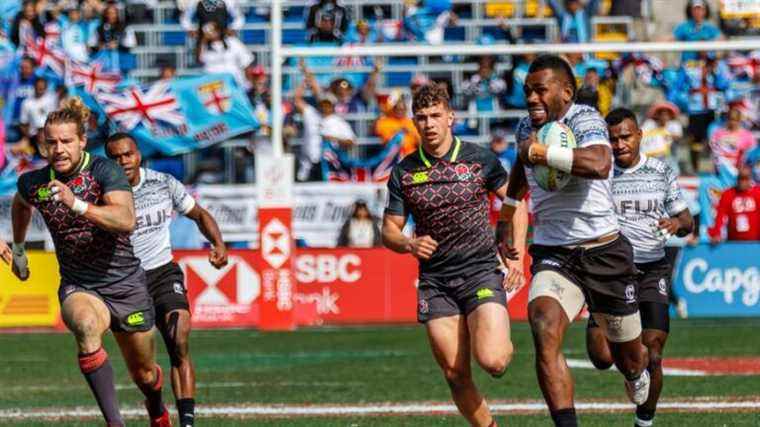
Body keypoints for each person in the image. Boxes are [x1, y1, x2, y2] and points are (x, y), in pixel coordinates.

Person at [500, 55, 650, 427]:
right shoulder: (525, 127)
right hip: (555, 252)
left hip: (604, 250)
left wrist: (543, 153)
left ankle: (634, 375)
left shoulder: (584, 119)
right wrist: (507, 212)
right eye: (527, 91)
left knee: (625, 356)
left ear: (566, 92)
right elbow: (522, 164)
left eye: (540, 90)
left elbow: (599, 164)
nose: (532, 98)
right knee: (543, 325)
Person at [10, 98, 170, 426]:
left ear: (82, 141)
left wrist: (77, 204)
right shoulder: (33, 182)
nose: (59, 149)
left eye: (66, 141)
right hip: (79, 284)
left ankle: (156, 406)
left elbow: (126, 219)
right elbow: (21, 204)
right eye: (51, 142)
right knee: (84, 325)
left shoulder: (103, 171)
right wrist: (19, 247)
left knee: (144, 373)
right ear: (42, 145)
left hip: (125, 284)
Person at [382, 83, 528, 427]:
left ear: (451, 117)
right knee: (454, 373)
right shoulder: (404, 172)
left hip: (480, 270)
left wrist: (517, 254)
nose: (429, 123)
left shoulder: (478, 158)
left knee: (493, 361)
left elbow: (515, 203)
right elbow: (388, 229)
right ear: (414, 123)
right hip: (436, 282)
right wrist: (408, 244)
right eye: (422, 118)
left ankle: (501, 338)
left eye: (435, 116)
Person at [106, 132, 228, 427]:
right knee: (144, 373)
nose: (124, 161)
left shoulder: (163, 183)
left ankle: (187, 421)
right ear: (107, 162)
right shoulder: (103, 194)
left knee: (178, 337)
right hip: (126, 282)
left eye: (128, 154)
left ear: (138, 155)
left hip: (163, 272)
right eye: (116, 157)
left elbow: (199, 214)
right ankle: (156, 404)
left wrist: (218, 243)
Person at [586, 108, 694, 427]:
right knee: (602, 358)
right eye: (613, 138)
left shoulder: (661, 171)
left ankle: (644, 421)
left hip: (652, 270)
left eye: (625, 136)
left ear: (639, 136)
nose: (619, 144)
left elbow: (687, 221)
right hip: (611, 274)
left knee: (655, 354)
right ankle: (632, 370)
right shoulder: (599, 175)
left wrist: (675, 222)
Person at [707, 165, 760, 242]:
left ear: (750, 179)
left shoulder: (757, 193)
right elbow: (720, 216)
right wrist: (716, 233)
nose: (742, 182)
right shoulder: (728, 194)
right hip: (734, 241)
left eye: (745, 179)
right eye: (740, 178)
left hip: (755, 242)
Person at [197, 20, 253, 88]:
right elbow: (200, 60)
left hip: (234, 82)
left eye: (211, 30)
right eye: (206, 32)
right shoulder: (204, 46)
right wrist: (203, 41)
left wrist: (249, 83)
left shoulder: (233, 42)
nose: (209, 33)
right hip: (212, 84)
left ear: (218, 31)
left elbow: (246, 62)